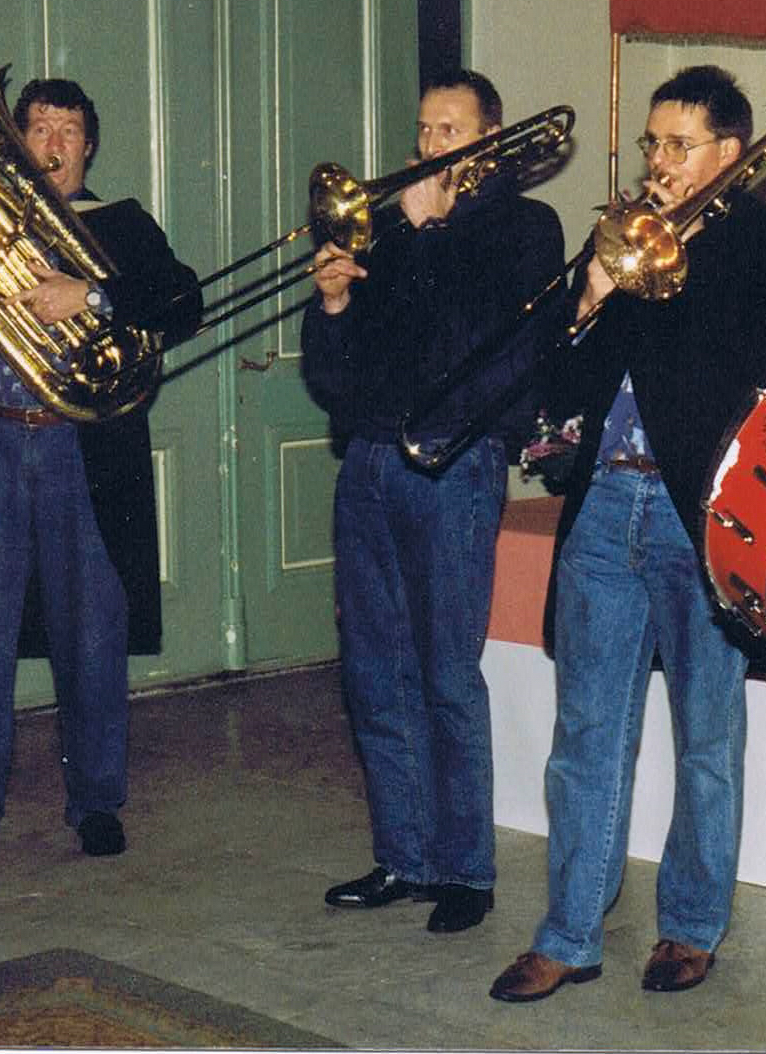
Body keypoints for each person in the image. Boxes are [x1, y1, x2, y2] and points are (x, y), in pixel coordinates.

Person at [489, 66, 766, 1002]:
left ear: (731, 153)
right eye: (651, 143)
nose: (658, 161)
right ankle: (568, 933)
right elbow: (564, 378)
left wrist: (670, 259)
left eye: (679, 145)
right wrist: (592, 294)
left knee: (706, 737)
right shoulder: (623, 235)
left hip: (697, 516)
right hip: (605, 503)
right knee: (585, 734)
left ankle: (690, 925)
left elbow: (757, 372)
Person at [301, 68, 566, 934]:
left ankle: (465, 869)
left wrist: (425, 233)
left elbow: (475, 340)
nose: (428, 146)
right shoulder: (391, 230)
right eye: (422, 129)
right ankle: (402, 855)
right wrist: (334, 304)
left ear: (490, 140)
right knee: (374, 671)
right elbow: (336, 379)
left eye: (448, 130)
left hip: (453, 463)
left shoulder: (526, 228)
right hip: (370, 461)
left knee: (446, 671)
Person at [0, 77, 201, 861]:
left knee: (92, 631)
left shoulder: (121, 221)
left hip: (81, 449)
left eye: (68, 129)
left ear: (88, 144)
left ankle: (95, 800)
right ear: (17, 143)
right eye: (38, 128)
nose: (53, 144)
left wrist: (87, 295)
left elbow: (182, 301)